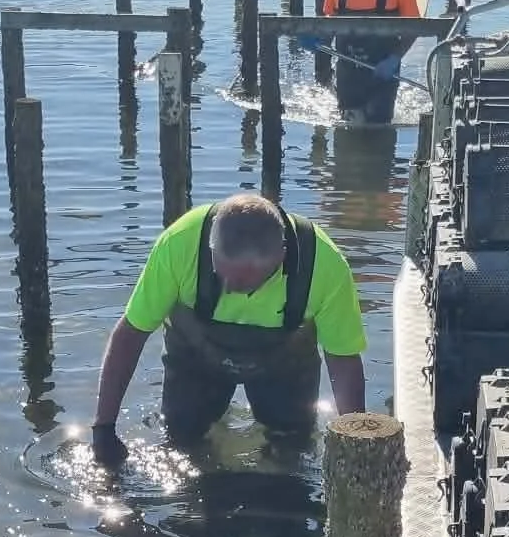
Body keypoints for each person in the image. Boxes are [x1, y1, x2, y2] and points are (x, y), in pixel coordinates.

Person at [91, 192, 367, 459]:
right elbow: (132, 332)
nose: (232, 289)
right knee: (182, 441)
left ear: (281, 256)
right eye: (225, 273)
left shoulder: (325, 266)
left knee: (292, 445)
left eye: (248, 280)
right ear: (211, 247)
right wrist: (104, 427)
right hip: (195, 356)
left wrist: (356, 444)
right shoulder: (178, 244)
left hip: (287, 365)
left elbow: (343, 358)